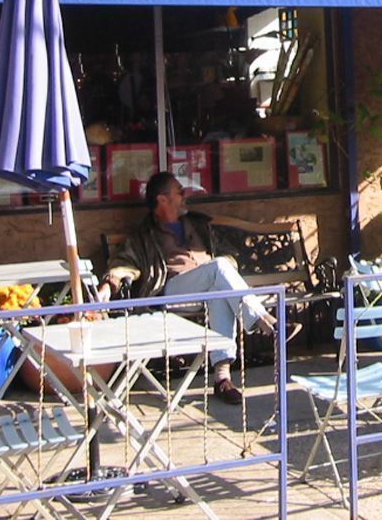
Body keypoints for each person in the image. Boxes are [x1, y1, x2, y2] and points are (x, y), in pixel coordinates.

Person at [95, 171, 280, 405]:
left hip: (208, 287)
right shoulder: (145, 235)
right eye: (179, 192)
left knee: (219, 288)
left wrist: (226, 267)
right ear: (162, 200)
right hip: (171, 292)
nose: (185, 196)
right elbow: (124, 263)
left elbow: (226, 255)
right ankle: (262, 321)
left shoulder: (197, 224)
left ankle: (222, 379)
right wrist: (108, 284)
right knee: (218, 270)